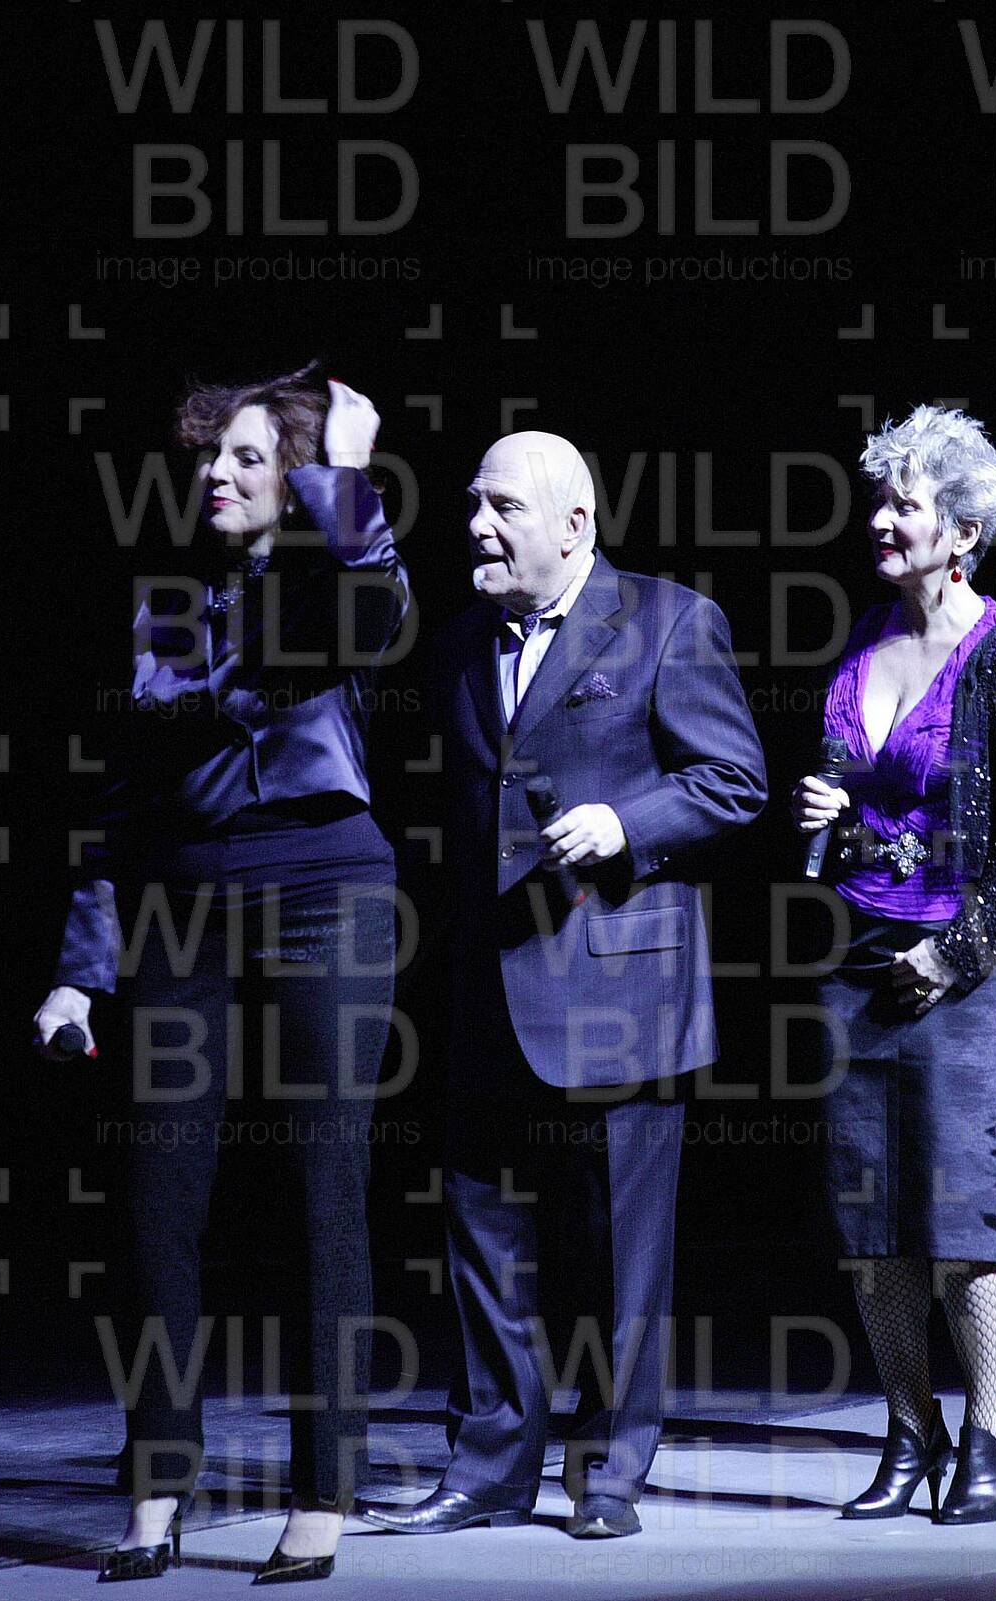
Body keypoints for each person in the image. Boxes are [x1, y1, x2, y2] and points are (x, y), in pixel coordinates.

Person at [33, 365, 410, 1583]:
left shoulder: (332, 572)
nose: (217, 474)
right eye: (210, 455)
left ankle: (323, 1485)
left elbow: (380, 617)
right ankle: (158, 1481)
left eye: (248, 456)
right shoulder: (169, 602)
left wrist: (345, 476)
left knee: (321, 1190)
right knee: (158, 1201)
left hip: (323, 889)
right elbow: (123, 796)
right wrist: (80, 972)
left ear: (294, 475)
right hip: (183, 905)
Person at [357, 431, 766, 1541]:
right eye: (472, 506)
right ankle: (488, 1466)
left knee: (621, 1254)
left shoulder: (669, 620)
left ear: (575, 524)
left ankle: (610, 1472)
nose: (477, 528)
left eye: (503, 509)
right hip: (490, 987)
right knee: (483, 1242)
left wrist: (627, 823)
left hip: (622, 990)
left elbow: (735, 780)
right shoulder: (456, 643)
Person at [796, 405, 996, 1525]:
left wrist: (955, 952)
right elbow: (850, 798)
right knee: (869, 1214)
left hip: (968, 957)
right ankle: (909, 1428)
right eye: (879, 500)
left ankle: (987, 1429)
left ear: (960, 529)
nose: (880, 520)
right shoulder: (865, 637)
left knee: (957, 1205)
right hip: (860, 949)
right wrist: (831, 815)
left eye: (902, 504)